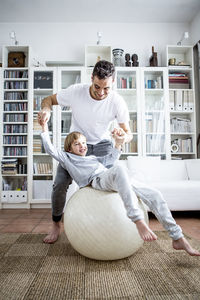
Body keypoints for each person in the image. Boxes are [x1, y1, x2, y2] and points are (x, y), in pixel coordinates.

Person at [40, 121, 200, 256]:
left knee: (155, 194)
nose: (82, 146)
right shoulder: (67, 159)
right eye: (77, 144)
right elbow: (49, 149)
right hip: (98, 181)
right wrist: (44, 128)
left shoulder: (92, 158)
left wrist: (117, 143)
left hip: (111, 176)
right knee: (119, 169)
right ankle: (137, 220)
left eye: (83, 142)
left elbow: (110, 159)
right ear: (69, 149)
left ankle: (177, 237)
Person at [38, 60, 133, 244]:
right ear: (92, 78)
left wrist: (122, 137)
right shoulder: (76, 92)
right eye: (97, 86)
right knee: (59, 184)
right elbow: (48, 99)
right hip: (76, 145)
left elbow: (129, 134)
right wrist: (45, 110)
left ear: (113, 82)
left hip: (103, 146)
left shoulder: (117, 101)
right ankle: (56, 224)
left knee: (109, 185)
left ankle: (108, 224)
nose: (101, 92)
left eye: (106, 88)